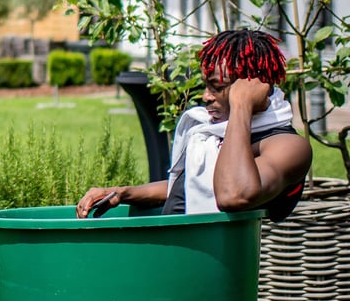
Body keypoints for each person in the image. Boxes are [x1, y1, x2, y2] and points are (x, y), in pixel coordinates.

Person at [76, 29, 313, 220]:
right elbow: (194, 184)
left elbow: (234, 194)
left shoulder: (288, 146)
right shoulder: (215, 129)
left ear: (251, 87)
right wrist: (125, 193)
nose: (206, 96)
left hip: (216, 266)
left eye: (217, 87)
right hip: (176, 253)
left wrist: (241, 104)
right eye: (206, 86)